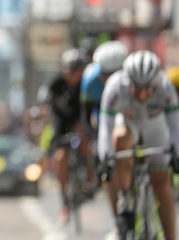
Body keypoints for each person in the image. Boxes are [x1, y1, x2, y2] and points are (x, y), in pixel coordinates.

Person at [97, 50, 179, 240]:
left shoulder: (165, 88)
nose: (142, 93)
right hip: (129, 124)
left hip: (156, 128)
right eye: (137, 87)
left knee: (162, 186)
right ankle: (125, 199)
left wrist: (176, 154)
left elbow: (175, 127)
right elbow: (105, 129)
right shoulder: (115, 87)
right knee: (120, 139)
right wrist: (105, 158)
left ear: (155, 81)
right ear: (128, 80)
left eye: (147, 87)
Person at [39, 48, 88, 225]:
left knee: (86, 144)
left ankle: (91, 178)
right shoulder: (56, 81)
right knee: (60, 158)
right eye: (68, 70)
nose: (72, 75)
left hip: (81, 120)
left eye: (76, 71)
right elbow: (44, 96)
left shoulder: (86, 83)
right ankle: (65, 203)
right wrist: (43, 108)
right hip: (61, 122)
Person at [80, 40, 128, 135]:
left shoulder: (130, 80)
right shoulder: (90, 81)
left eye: (113, 74)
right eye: (105, 74)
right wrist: (93, 138)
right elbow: (86, 117)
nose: (109, 79)